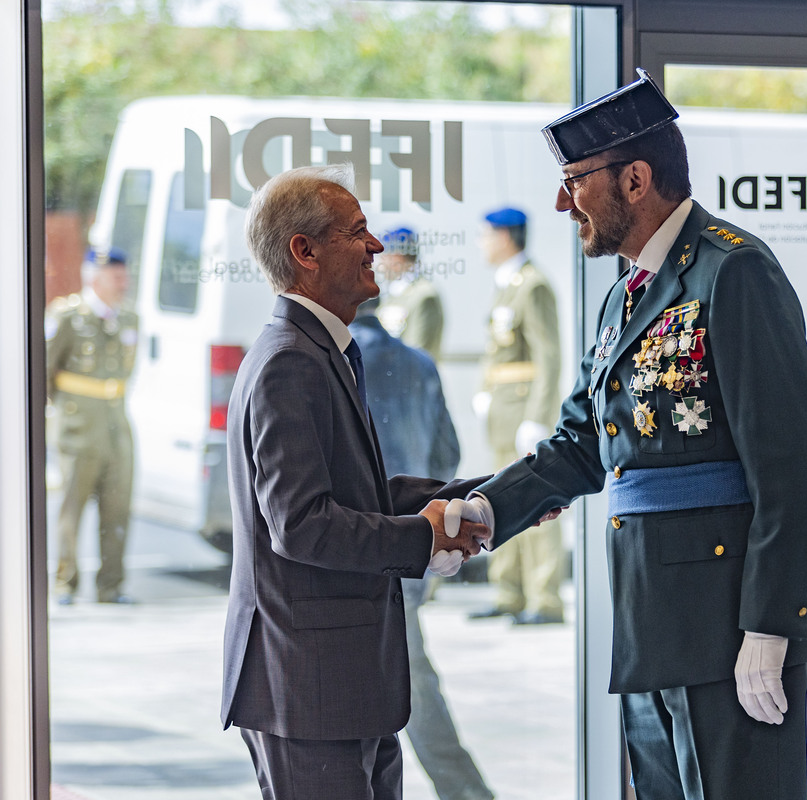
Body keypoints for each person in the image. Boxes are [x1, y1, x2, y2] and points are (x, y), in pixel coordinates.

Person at [443, 70, 807, 798]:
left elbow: (792, 466)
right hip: (653, 624)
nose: (563, 203)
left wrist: (770, 625)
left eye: (574, 181)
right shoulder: (625, 297)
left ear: (635, 180)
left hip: (731, 629)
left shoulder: (732, 271)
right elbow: (582, 443)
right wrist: (489, 511)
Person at [220, 163, 487, 800]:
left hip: (343, 689)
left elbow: (361, 495)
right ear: (303, 252)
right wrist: (421, 542)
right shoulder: (291, 363)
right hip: (309, 691)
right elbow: (302, 525)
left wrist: (495, 496)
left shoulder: (319, 351)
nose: (375, 246)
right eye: (356, 231)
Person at [349, 297, 495, 800]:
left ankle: (467, 793)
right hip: (417, 546)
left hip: (364, 551)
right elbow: (445, 455)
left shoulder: (338, 364)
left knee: (406, 685)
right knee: (404, 677)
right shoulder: (417, 361)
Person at [468, 206, 566, 626]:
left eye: (486, 235)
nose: (482, 243)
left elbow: (548, 355)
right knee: (500, 498)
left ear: (506, 236)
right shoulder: (506, 285)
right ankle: (508, 590)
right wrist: (486, 391)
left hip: (524, 407)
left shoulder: (533, 286)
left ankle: (544, 598)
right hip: (503, 409)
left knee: (536, 498)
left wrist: (538, 415)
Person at [46, 246, 138, 605]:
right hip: (78, 427)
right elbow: (45, 369)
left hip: (117, 426)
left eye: (124, 275)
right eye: (117, 276)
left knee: (118, 508)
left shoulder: (129, 318)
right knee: (72, 507)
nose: (123, 282)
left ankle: (111, 586)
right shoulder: (68, 316)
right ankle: (64, 583)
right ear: (95, 279)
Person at [377, 226, 445, 361]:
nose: (379, 263)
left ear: (397, 257)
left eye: (383, 256)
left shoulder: (424, 295)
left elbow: (418, 352)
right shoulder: (391, 294)